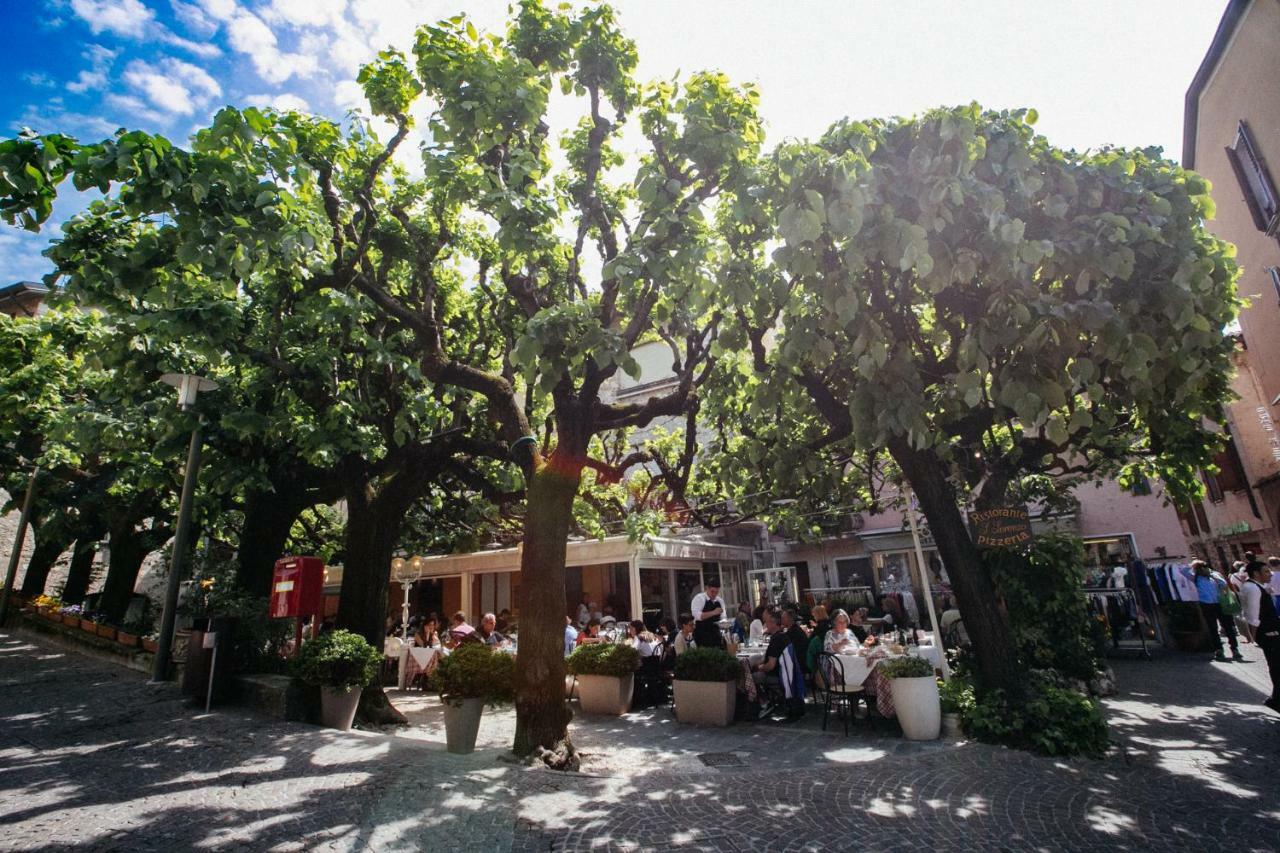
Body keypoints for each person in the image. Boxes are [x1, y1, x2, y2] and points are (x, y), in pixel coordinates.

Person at [750, 607, 804, 721]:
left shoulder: (776, 640)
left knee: (750, 678)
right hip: (788, 672)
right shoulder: (783, 636)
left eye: (767, 622)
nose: (766, 624)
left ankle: (764, 702)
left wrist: (759, 667)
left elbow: (770, 666)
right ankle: (769, 700)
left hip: (777, 674)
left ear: (773, 624)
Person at [1181, 560, 1242, 662]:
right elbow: (1183, 571)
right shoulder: (1195, 577)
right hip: (1206, 604)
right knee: (1212, 627)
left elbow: (1224, 585)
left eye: (1203, 567)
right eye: (1199, 568)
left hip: (1220, 603)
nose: (1202, 570)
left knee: (1228, 626)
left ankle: (1234, 648)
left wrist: (1213, 576)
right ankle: (1219, 649)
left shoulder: (1215, 575)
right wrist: (1193, 565)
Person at [1241, 562, 1280, 713]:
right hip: (1269, 634)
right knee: (1277, 667)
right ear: (1256, 573)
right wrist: (1254, 637)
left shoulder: (1256, 587)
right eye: (1266, 571)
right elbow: (1253, 616)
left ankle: (1276, 699)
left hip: (1271, 631)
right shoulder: (1252, 588)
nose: (1270, 574)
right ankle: (1276, 700)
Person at [690, 582, 726, 649]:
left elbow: (723, 617)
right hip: (701, 634)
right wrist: (713, 612)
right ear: (707, 588)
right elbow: (698, 616)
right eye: (712, 591)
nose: (714, 594)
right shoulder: (699, 598)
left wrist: (724, 623)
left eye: (716, 592)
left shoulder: (720, 601)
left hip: (716, 634)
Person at [781, 608, 811, 673]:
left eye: (783, 618)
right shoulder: (795, 629)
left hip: (798, 665)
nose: (781, 620)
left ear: (790, 619)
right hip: (799, 661)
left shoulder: (793, 632)